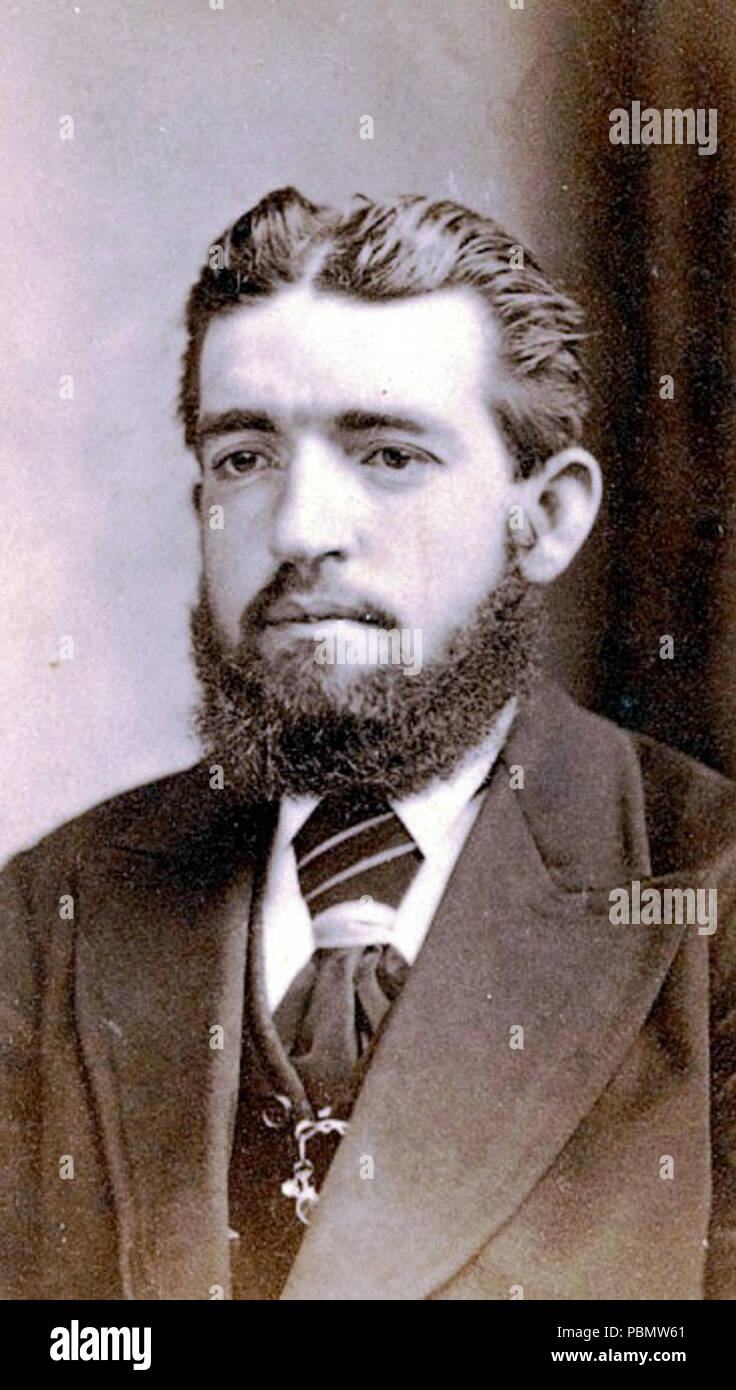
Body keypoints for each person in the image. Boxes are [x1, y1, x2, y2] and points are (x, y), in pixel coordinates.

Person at [2, 187, 735, 1301]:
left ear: (544, 519)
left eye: (388, 454)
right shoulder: (47, 916)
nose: (300, 529)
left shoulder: (708, 905)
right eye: (245, 458)